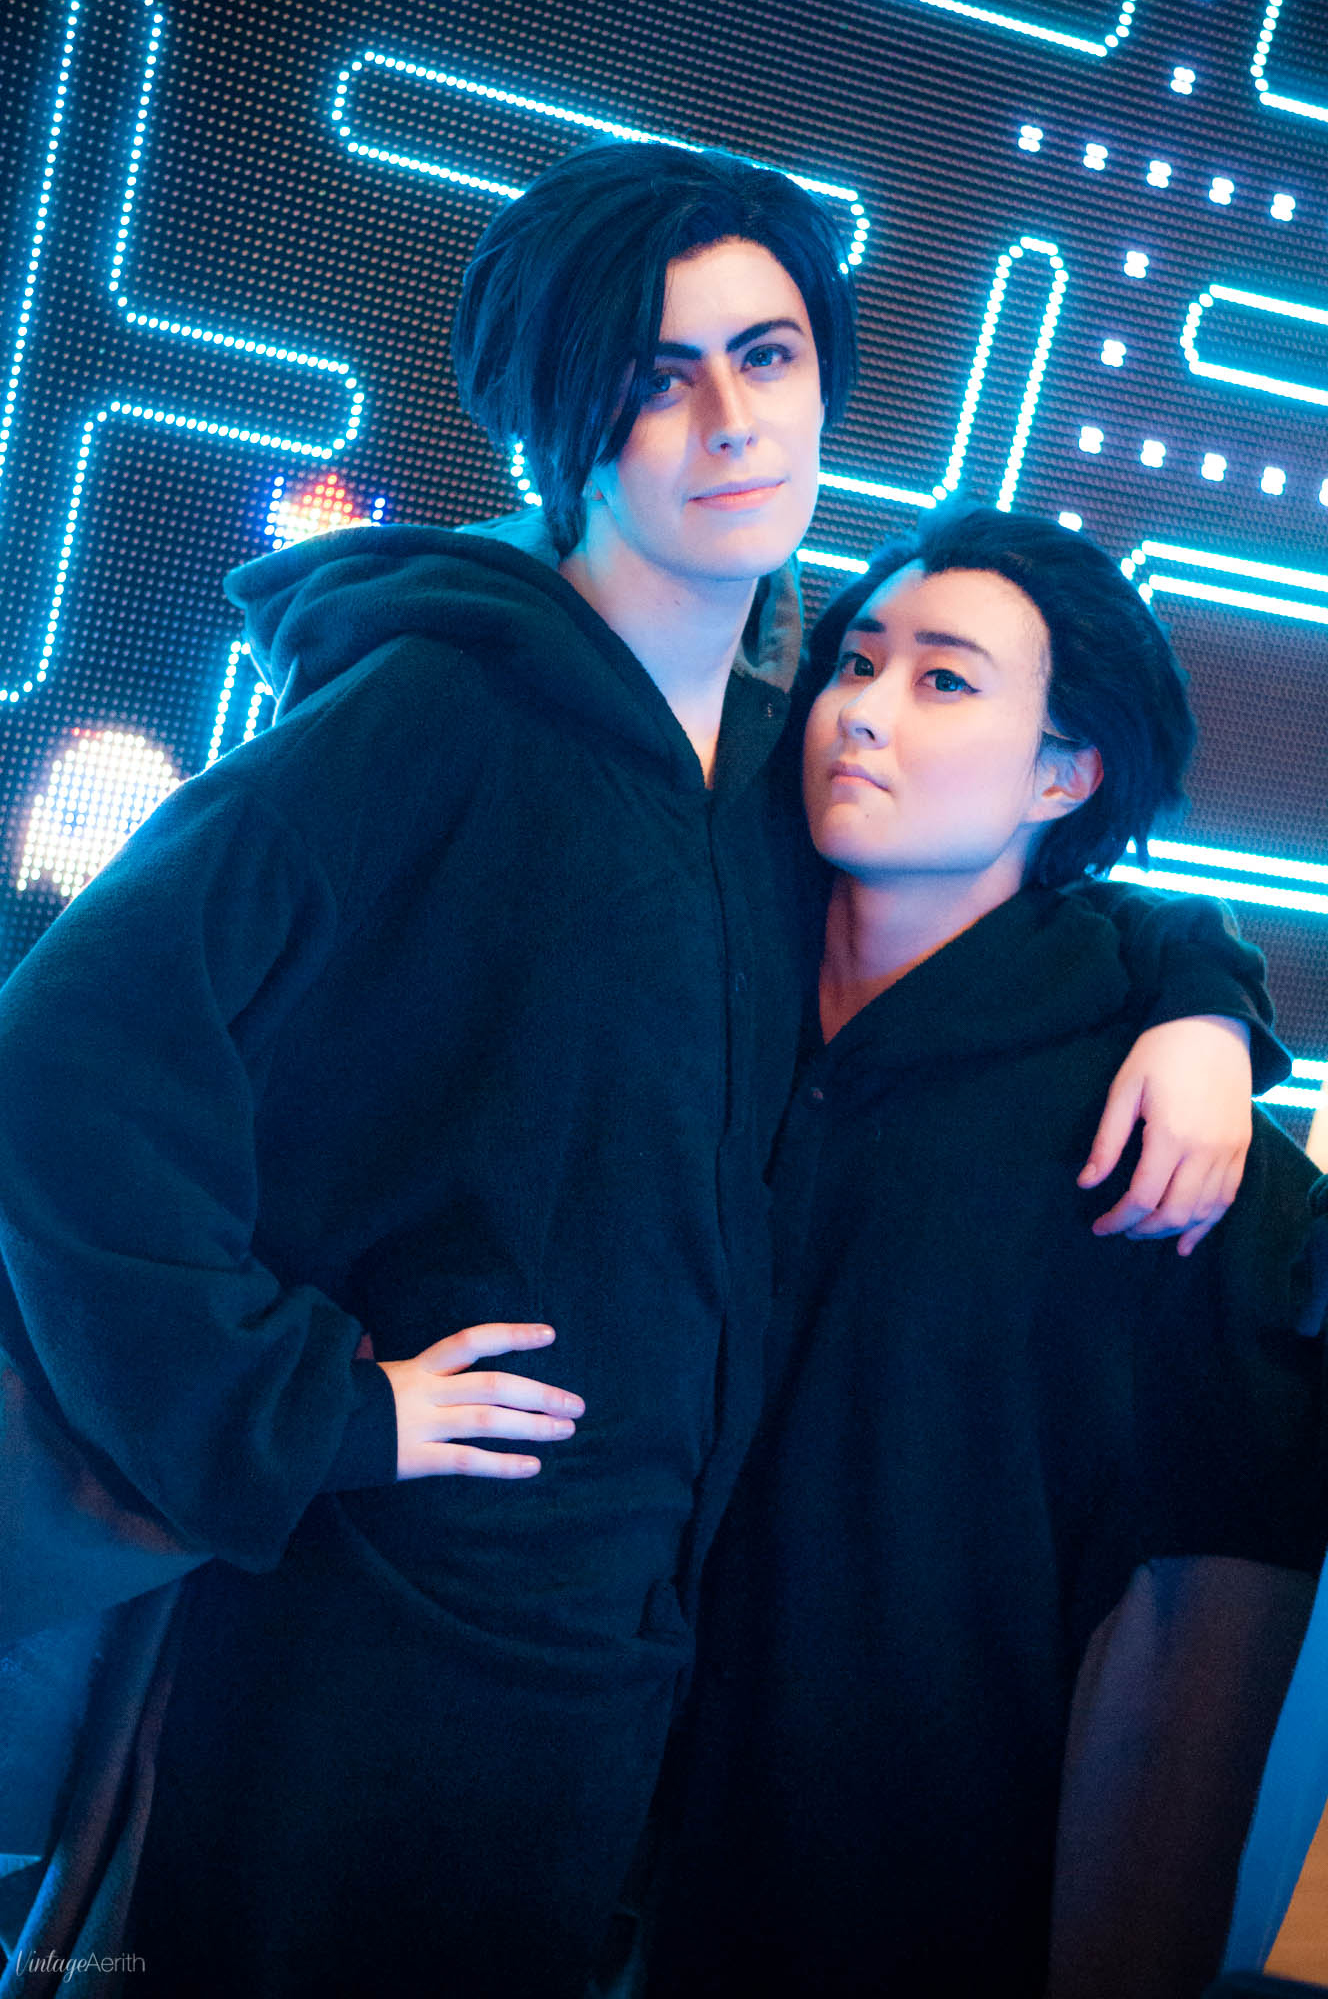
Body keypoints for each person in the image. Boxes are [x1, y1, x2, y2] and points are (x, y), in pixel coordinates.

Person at [0, 147, 1286, 1998]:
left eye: (767, 356)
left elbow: (1043, 874)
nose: (731, 421)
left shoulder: (759, 778)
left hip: (616, 1683)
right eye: (657, 376)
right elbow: (70, 1063)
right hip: (388, 1648)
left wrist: (1206, 1009)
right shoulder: (432, 712)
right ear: (567, 424)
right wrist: (308, 1406)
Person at [648, 502, 1327, 1999]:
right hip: (565, 1795)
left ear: (1063, 775)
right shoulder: (707, 974)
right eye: (857, 662)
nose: (865, 711)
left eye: (945, 679)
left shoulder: (1144, 1138)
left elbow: (1189, 1668)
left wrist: (1208, 1014)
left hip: (883, 1883)